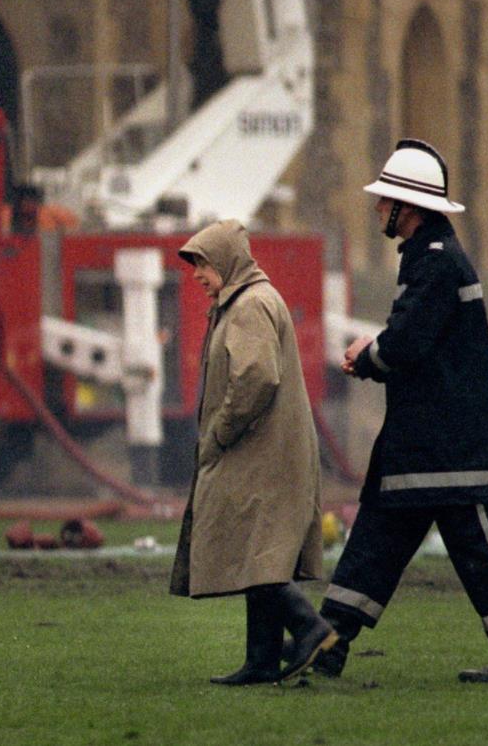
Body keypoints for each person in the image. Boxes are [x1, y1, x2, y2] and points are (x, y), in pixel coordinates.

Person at [308, 139, 488, 684]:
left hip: (447, 444)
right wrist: (378, 350)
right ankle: (328, 642)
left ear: (406, 209)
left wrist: (367, 356)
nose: (377, 210)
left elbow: (407, 343)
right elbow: (417, 336)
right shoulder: (433, 260)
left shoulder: (437, 264)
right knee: (376, 537)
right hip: (425, 442)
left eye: (384, 201)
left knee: (478, 545)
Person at [169, 218, 337, 685]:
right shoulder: (249, 300)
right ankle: (262, 661)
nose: (198, 274)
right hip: (269, 449)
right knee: (258, 550)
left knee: (255, 551)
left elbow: (257, 378)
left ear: (226, 260)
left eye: (203, 263)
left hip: (261, 450)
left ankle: (310, 629)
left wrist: (219, 433)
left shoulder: (247, 307)